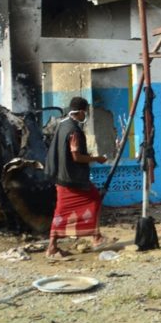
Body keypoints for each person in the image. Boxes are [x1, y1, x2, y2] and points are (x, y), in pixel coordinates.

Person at [44, 97, 112, 259]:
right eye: (85, 112)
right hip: (72, 178)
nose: (86, 115)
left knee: (62, 210)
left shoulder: (62, 124)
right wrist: (97, 159)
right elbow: (76, 157)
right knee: (94, 198)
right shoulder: (74, 131)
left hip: (61, 176)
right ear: (81, 112)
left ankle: (53, 246)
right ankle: (95, 237)